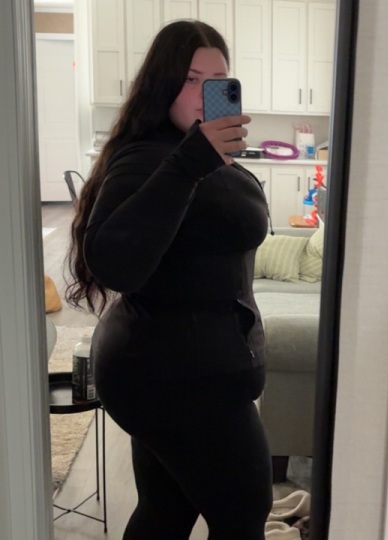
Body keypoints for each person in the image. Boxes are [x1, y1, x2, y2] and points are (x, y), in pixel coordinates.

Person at [66, 20, 273, 540]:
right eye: (190, 79)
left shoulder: (198, 155)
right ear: (161, 84)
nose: (204, 93)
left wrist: (205, 159)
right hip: (176, 377)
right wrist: (192, 162)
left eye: (218, 80)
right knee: (244, 513)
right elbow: (114, 265)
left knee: (166, 511)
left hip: (174, 367)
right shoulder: (151, 158)